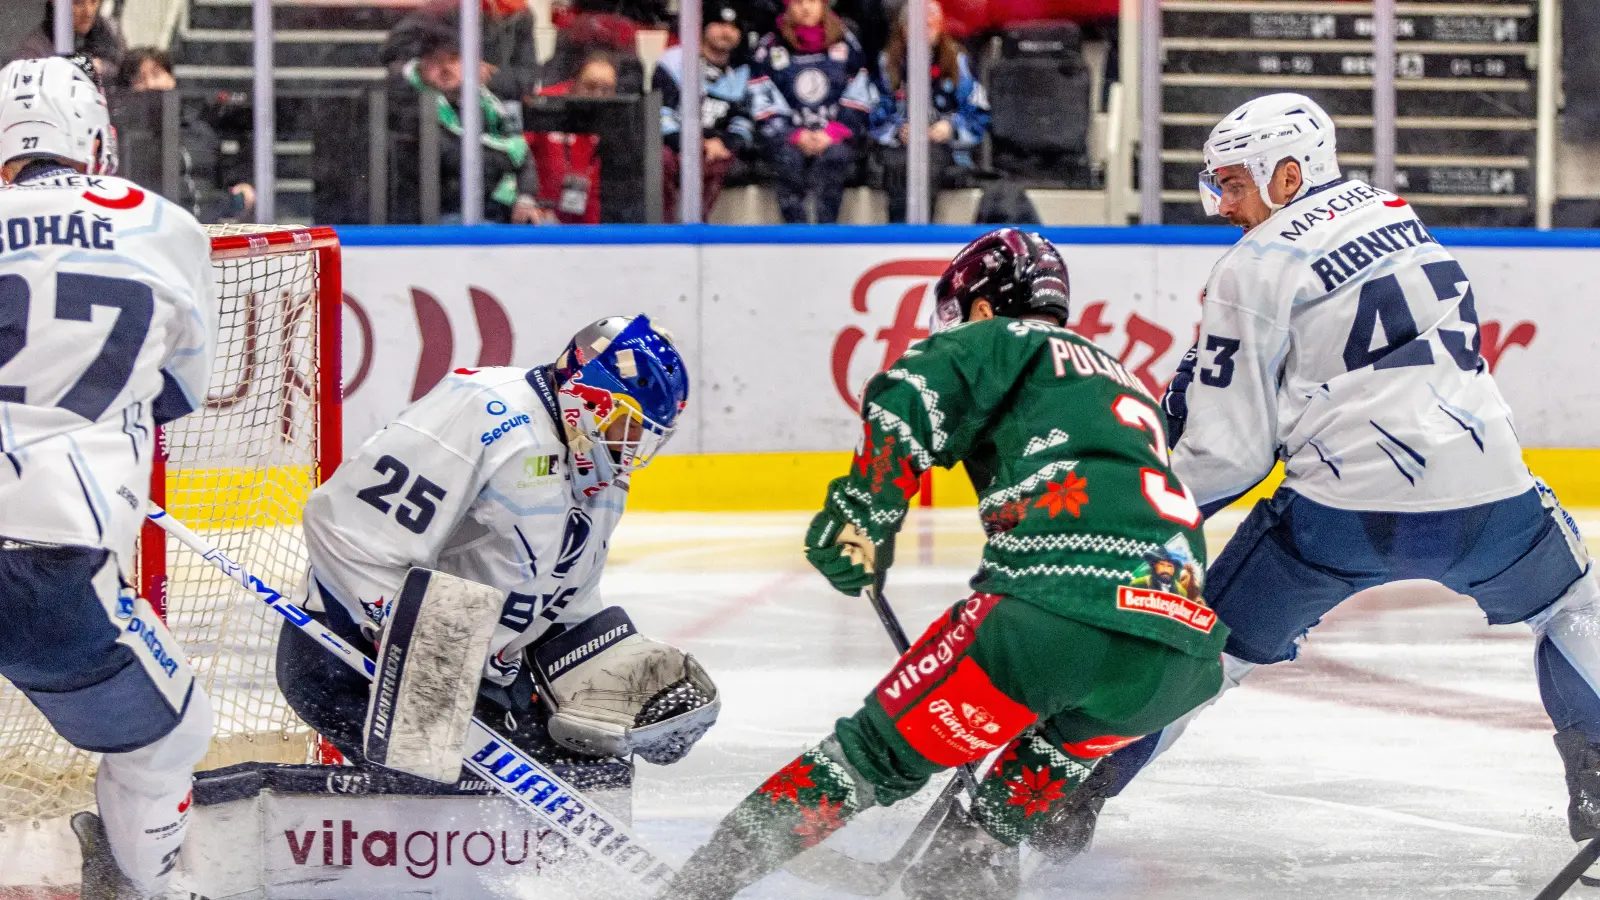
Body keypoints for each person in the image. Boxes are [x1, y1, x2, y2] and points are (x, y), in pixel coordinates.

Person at [1035, 92, 1600, 867]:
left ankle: (1064, 794)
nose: (1224, 205)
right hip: (1488, 495)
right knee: (1571, 601)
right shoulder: (1398, 214)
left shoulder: (1252, 265)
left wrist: (1136, 516)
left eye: (1234, 184)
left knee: (1209, 648)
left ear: (1289, 173)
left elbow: (1232, 455)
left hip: (1343, 514)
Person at [664, 229, 1228, 900]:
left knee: (870, 757)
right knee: (1010, 802)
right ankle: (965, 868)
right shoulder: (1117, 378)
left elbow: (910, 386)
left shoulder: (1002, 340)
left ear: (985, 307)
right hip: (1178, 658)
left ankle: (692, 890)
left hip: (1053, 620)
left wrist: (863, 514)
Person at [277, 315, 715, 775]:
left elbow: (562, 607)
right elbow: (345, 529)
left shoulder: (604, 481)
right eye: (626, 425)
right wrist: (428, 653)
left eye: (646, 435)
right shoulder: (486, 411)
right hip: (353, 660)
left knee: (590, 776)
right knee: (451, 809)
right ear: (587, 398)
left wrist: (615, 677)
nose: (631, 448)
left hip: (479, 678)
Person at [0, 56, 218, 899]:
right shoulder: (164, 226)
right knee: (170, 739)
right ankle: (139, 886)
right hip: (53, 567)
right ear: (94, 136)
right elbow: (177, 389)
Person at [387, 21, 536, 224]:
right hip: (432, 219)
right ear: (421, 65)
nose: (446, 68)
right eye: (436, 61)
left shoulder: (487, 101)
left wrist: (525, 199)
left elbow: (522, 153)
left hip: (491, 210)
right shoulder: (405, 101)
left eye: (454, 59)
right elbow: (455, 155)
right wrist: (510, 154)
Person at [748, 0, 875, 223]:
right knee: (788, 159)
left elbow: (860, 94)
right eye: (798, 2)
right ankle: (796, 238)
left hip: (835, 137)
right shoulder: (769, 46)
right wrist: (794, 135)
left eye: (812, 1)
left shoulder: (846, 42)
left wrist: (834, 132)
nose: (806, 8)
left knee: (834, 159)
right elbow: (761, 97)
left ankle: (826, 234)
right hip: (788, 137)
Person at [869, 0, 989, 222]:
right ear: (905, 29)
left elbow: (978, 113)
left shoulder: (957, 61)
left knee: (927, 163)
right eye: (918, 26)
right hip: (899, 148)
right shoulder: (887, 64)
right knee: (898, 165)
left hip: (943, 148)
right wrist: (897, 130)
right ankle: (898, 234)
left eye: (931, 25)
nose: (925, 32)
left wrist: (950, 127)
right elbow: (873, 114)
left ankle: (923, 234)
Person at [116, 48, 256, 224]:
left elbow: (224, 179)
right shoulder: (122, 139)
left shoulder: (200, 131)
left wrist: (241, 188)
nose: (150, 85)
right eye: (139, 79)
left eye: (156, 74)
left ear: (172, 79)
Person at [656, 0, 755, 222]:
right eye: (719, 23)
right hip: (676, 143)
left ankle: (697, 232)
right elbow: (661, 114)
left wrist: (727, 144)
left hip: (717, 148)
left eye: (733, 26)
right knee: (661, 160)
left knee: (715, 165)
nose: (726, 31)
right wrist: (692, 144)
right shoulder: (673, 61)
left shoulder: (743, 71)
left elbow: (744, 120)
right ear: (704, 26)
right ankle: (665, 230)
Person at [520, 51, 617, 225]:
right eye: (590, 86)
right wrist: (526, 200)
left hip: (596, 222)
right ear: (574, 83)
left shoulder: (618, 115)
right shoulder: (546, 104)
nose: (598, 96)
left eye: (606, 89)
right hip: (544, 218)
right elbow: (517, 154)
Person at [382, 0, 541, 104]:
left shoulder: (521, 15)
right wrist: (441, 63)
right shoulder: (445, 9)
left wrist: (479, 74)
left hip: (486, 109)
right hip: (433, 108)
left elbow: (527, 79)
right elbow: (391, 52)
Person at [10, 0, 126, 82]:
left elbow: (124, 71)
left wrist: (96, 68)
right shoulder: (33, 51)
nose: (89, 12)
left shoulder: (110, 32)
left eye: (93, 1)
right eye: (77, 2)